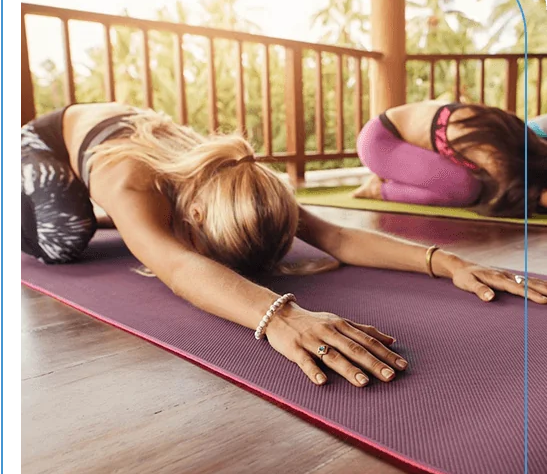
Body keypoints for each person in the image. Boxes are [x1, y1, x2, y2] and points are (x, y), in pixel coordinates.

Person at [20, 103, 547, 388]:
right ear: (195, 215)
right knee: (66, 237)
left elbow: (336, 236)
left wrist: (449, 262)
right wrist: (280, 316)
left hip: (136, 146)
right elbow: (177, 266)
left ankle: (131, 223)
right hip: (50, 140)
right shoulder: (128, 179)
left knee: (135, 227)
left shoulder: (240, 179)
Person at [353, 100, 547, 217]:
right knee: (466, 189)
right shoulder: (490, 146)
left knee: (475, 185)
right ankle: (378, 190)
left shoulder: (521, 138)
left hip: (410, 147)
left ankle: (397, 178)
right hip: (380, 142)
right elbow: (508, 192)